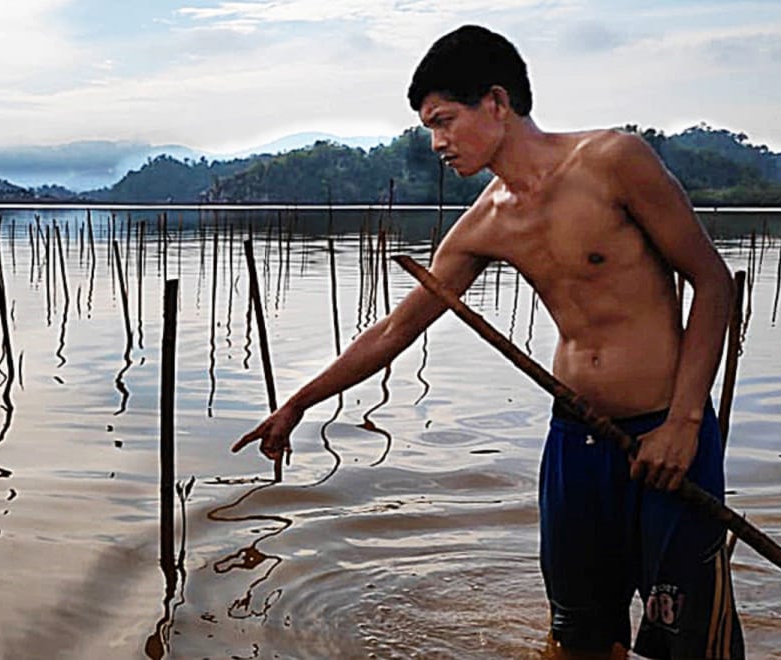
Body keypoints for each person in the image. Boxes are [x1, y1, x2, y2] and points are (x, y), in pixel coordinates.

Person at [231, 25, 743, 659]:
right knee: (578, 637)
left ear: (496, 102)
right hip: (578, 440)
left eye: (444, 120)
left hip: (668, 429)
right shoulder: (486, 223)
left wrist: (685, 423)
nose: (437, 142)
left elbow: (713, 283)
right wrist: (299, 403)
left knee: (686, 637)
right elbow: (395, 330)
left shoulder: (614, 161)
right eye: (428, 127)